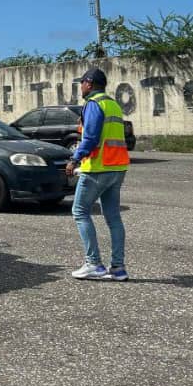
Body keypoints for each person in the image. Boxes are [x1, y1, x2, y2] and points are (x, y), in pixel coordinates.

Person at [65, 68, 131, 281]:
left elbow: (91, 137)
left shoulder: (93, 104)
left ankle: (93, 263)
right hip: (117, 167)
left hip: (98, 168)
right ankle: (118, 268)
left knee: (80, 211)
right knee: (113, 217)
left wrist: (75, 158)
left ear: (90, 83)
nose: (81, 86)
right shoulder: (112, 104)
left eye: (82, 82)